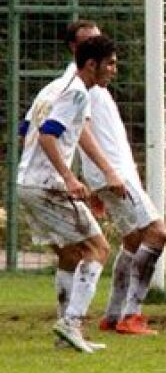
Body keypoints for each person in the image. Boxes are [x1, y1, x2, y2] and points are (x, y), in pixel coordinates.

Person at [16, 35, 119, 353]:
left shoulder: (53, 88)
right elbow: (47, 136)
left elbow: (25, 129)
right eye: (110, 64)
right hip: (47, 186)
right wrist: (69, 178)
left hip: (28, 183)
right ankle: (71, 322)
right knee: (99, 248)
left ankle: (66, 333)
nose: (114, 70)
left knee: (71, 254)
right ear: (92, 64)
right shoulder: (77, 93)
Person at [84, 35, 166, 336]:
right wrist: (105, 174)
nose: (113, 69)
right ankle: (132, 315)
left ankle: (113, 315)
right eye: (109, 62)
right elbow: (79, 131)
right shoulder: (79, 87)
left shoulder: (94, 88)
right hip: (114, 174)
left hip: (112, 174)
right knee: (157, 232)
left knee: (133, 239)